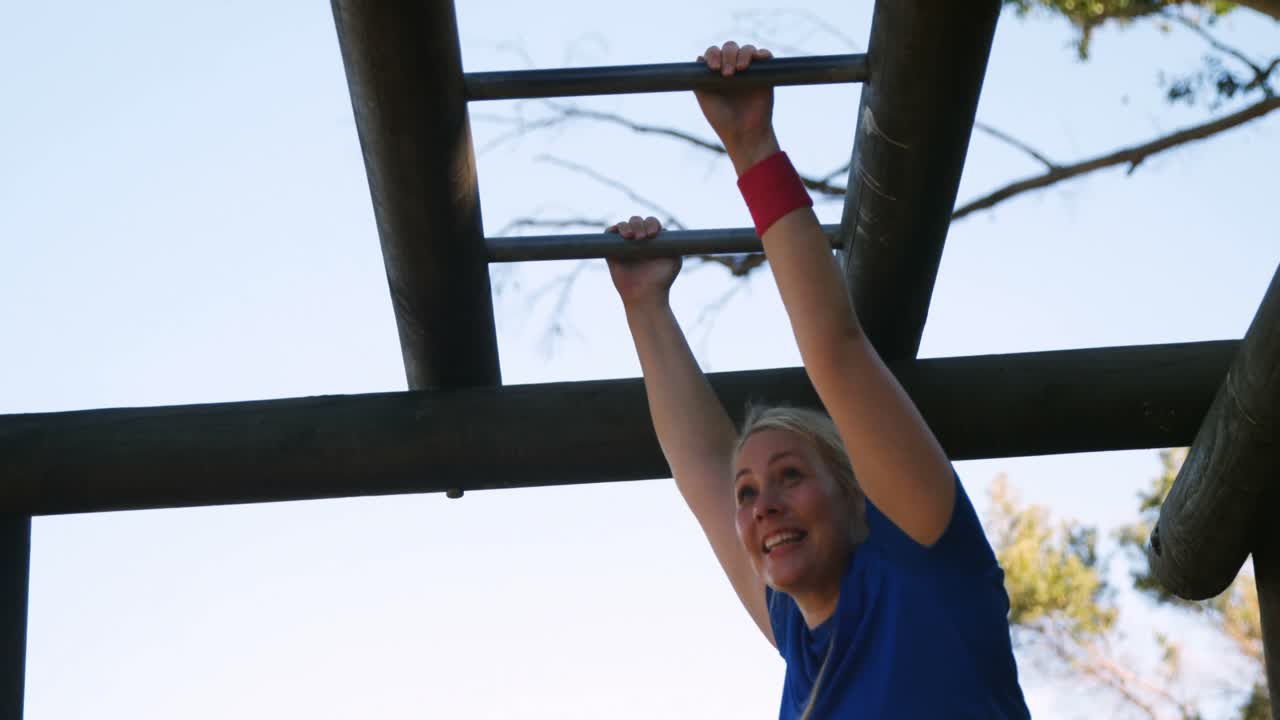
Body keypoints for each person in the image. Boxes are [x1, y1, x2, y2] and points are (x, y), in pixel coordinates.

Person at [604, 42, 1031, 719]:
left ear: (860, 495)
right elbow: (703, 474)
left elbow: (835, 351)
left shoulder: (922, 564)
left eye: (790, 476)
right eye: (750, 492)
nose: (762, 505)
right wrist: (645, 306)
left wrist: (751, 146)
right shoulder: (804, 643)